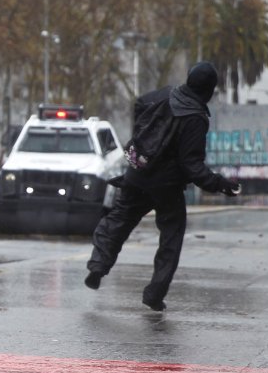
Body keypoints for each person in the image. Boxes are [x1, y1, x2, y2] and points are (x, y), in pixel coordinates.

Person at [84, 61, 240, 312]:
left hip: (138, 174)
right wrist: (220, 184)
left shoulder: (162, 95)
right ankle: (154, 294)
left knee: (118, 221)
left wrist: (142, 141)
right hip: (167, 187)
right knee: (170, 239)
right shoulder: (195, 117)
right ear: (209, 90)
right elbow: (192, 166)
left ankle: (97, 266)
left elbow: (138, 103)